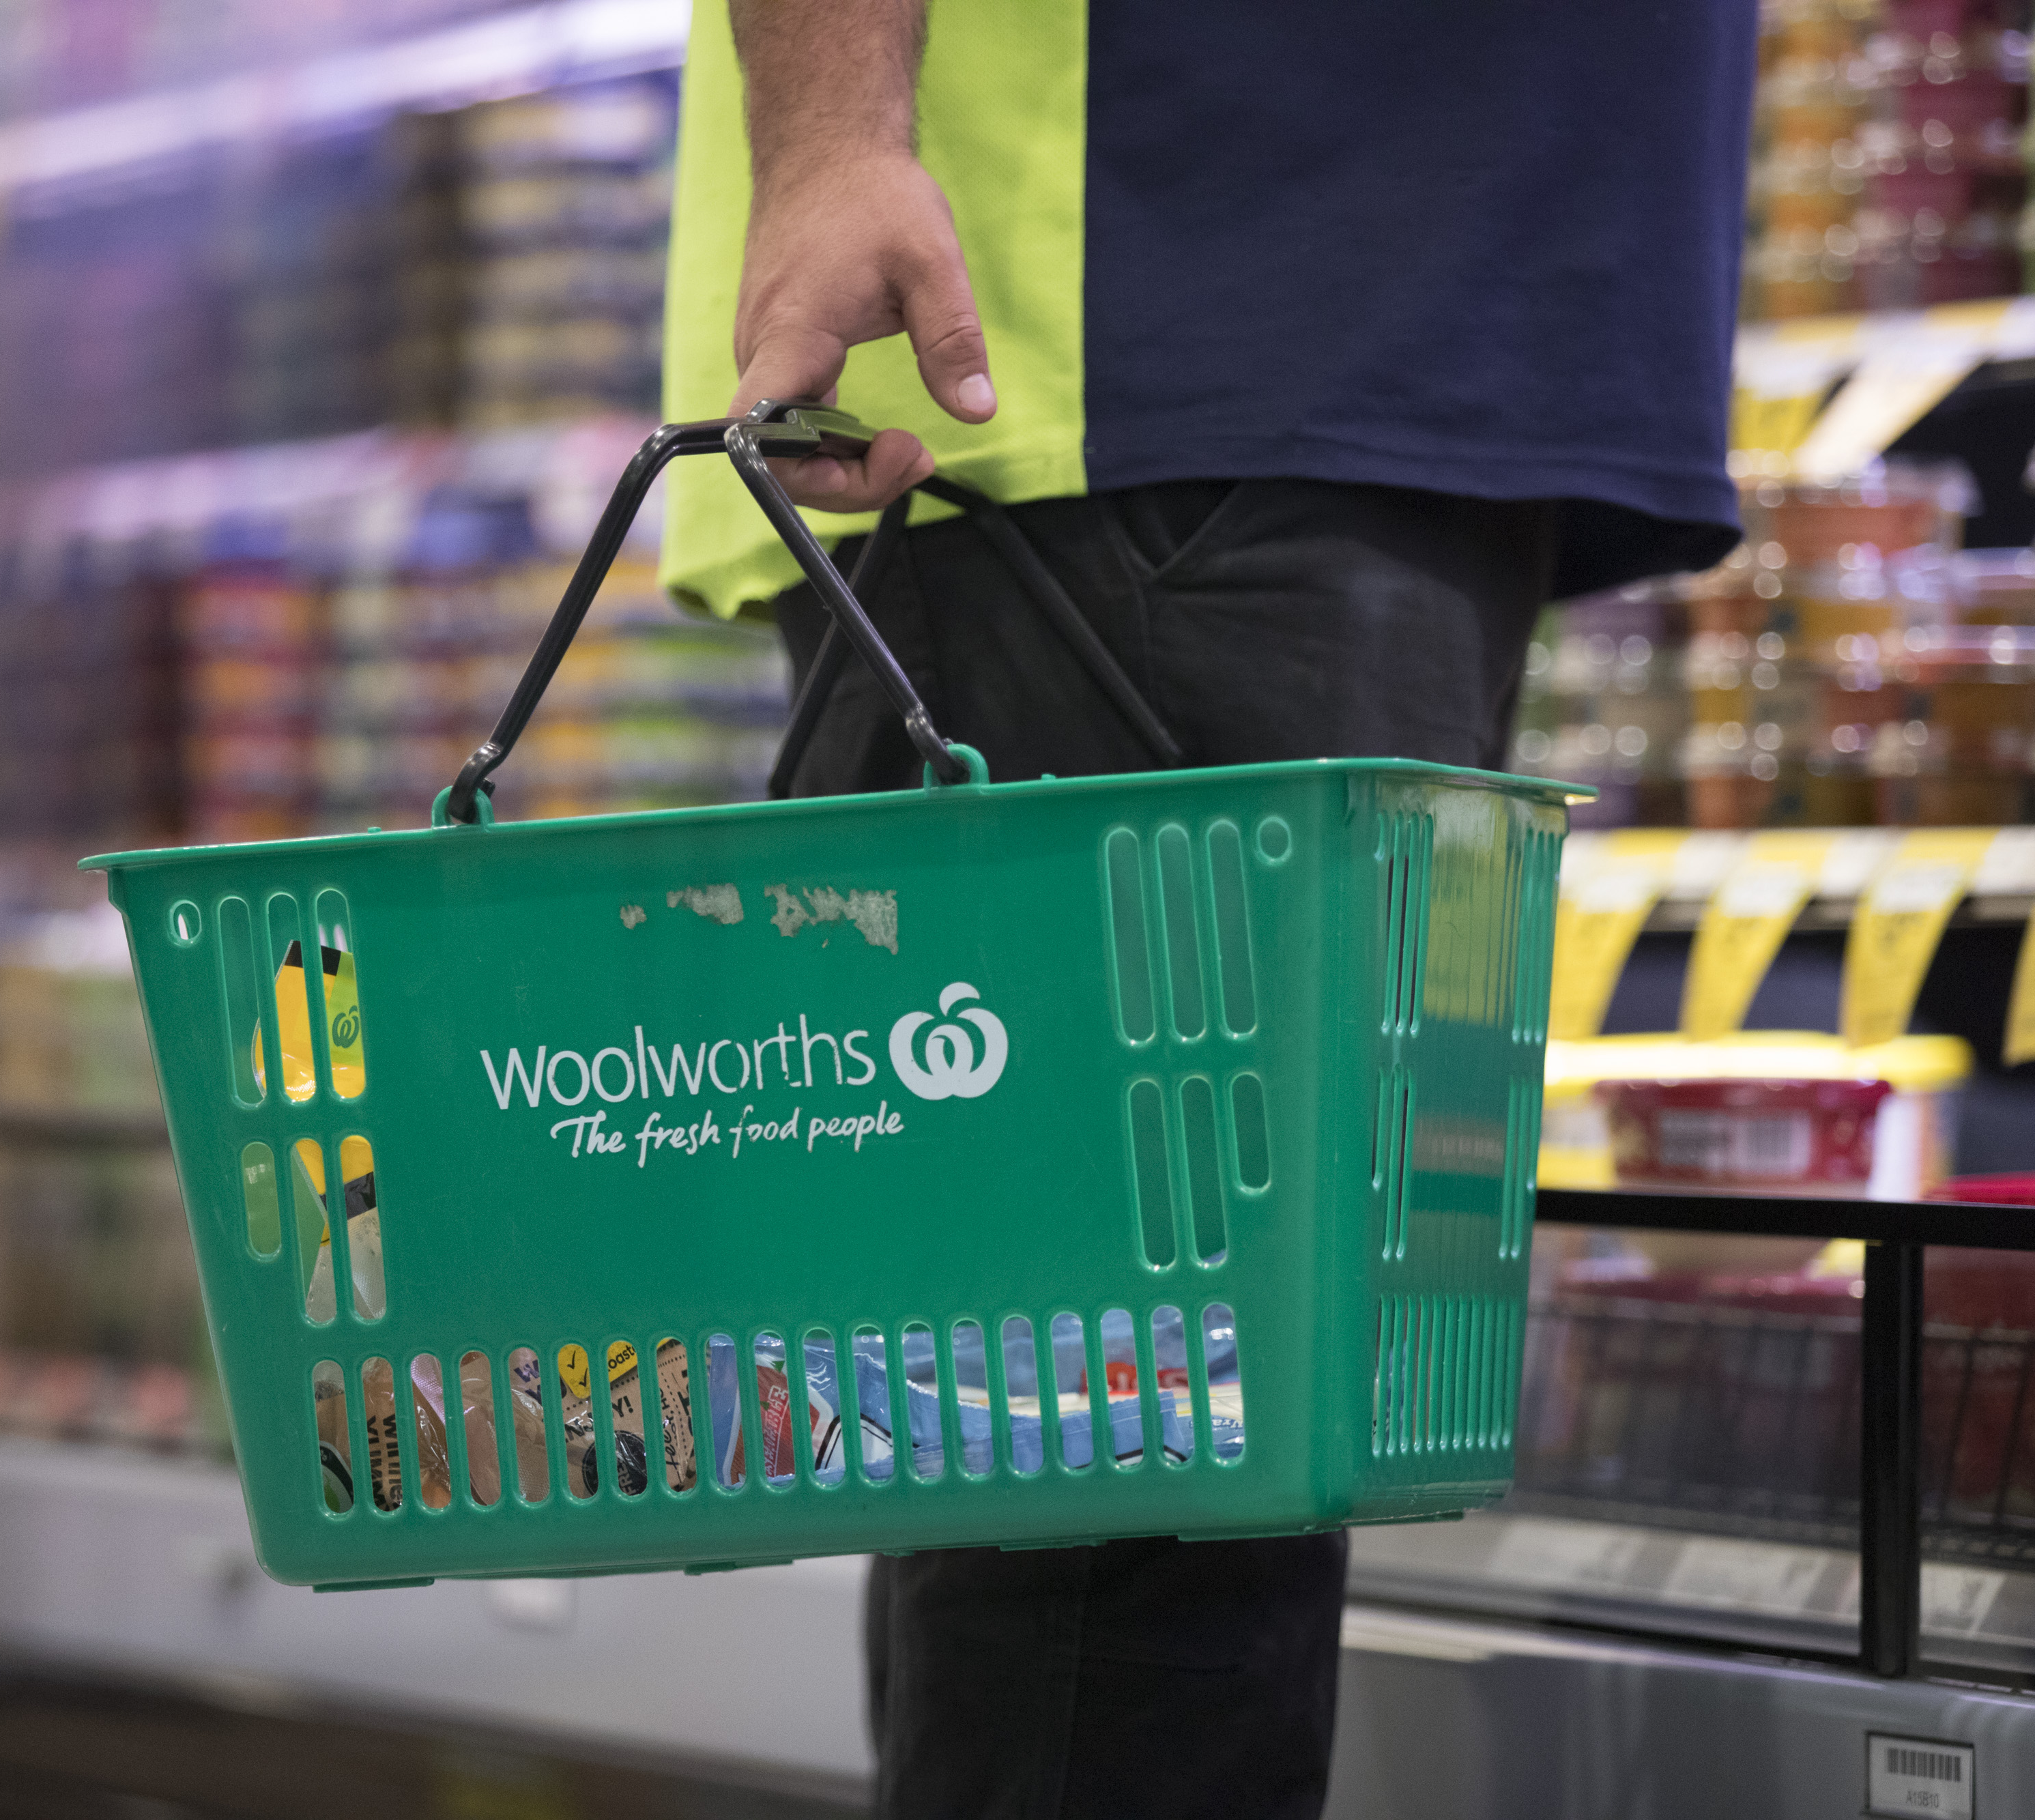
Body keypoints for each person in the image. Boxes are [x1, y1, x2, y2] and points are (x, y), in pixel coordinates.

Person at [656, 2, 1756, 1812]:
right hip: (1115, 360)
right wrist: (836, 136)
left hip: (1360, 374)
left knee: (1151, 1478)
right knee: (1136, 1484)